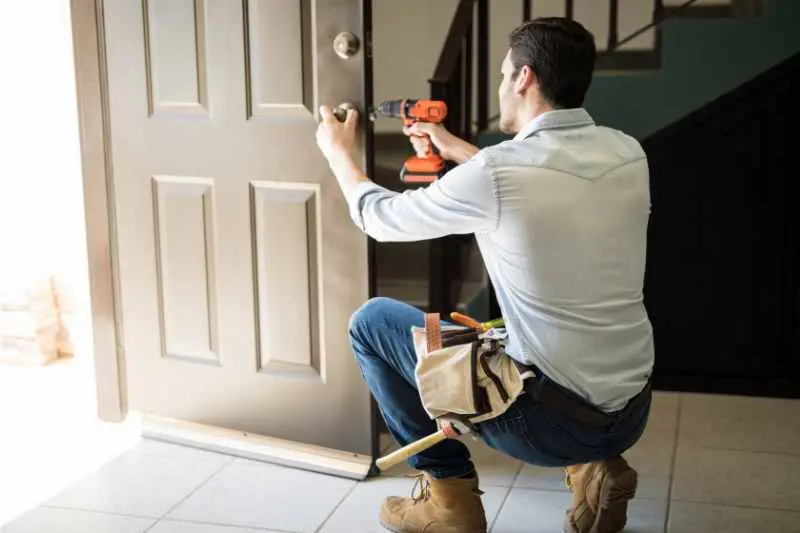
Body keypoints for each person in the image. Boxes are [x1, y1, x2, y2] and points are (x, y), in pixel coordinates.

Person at [315, 16, 654, 533]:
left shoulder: (497, 173)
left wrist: (341, 155)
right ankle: (598, 467)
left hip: (545, 423)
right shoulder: (627, 152)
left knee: (373, 321)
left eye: (502, 74)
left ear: (524, 78)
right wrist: (456, 149)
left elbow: (378, 219)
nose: (500, 85)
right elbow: (537, 187)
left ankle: (448, 500)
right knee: (516, 333)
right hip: (630, 410)